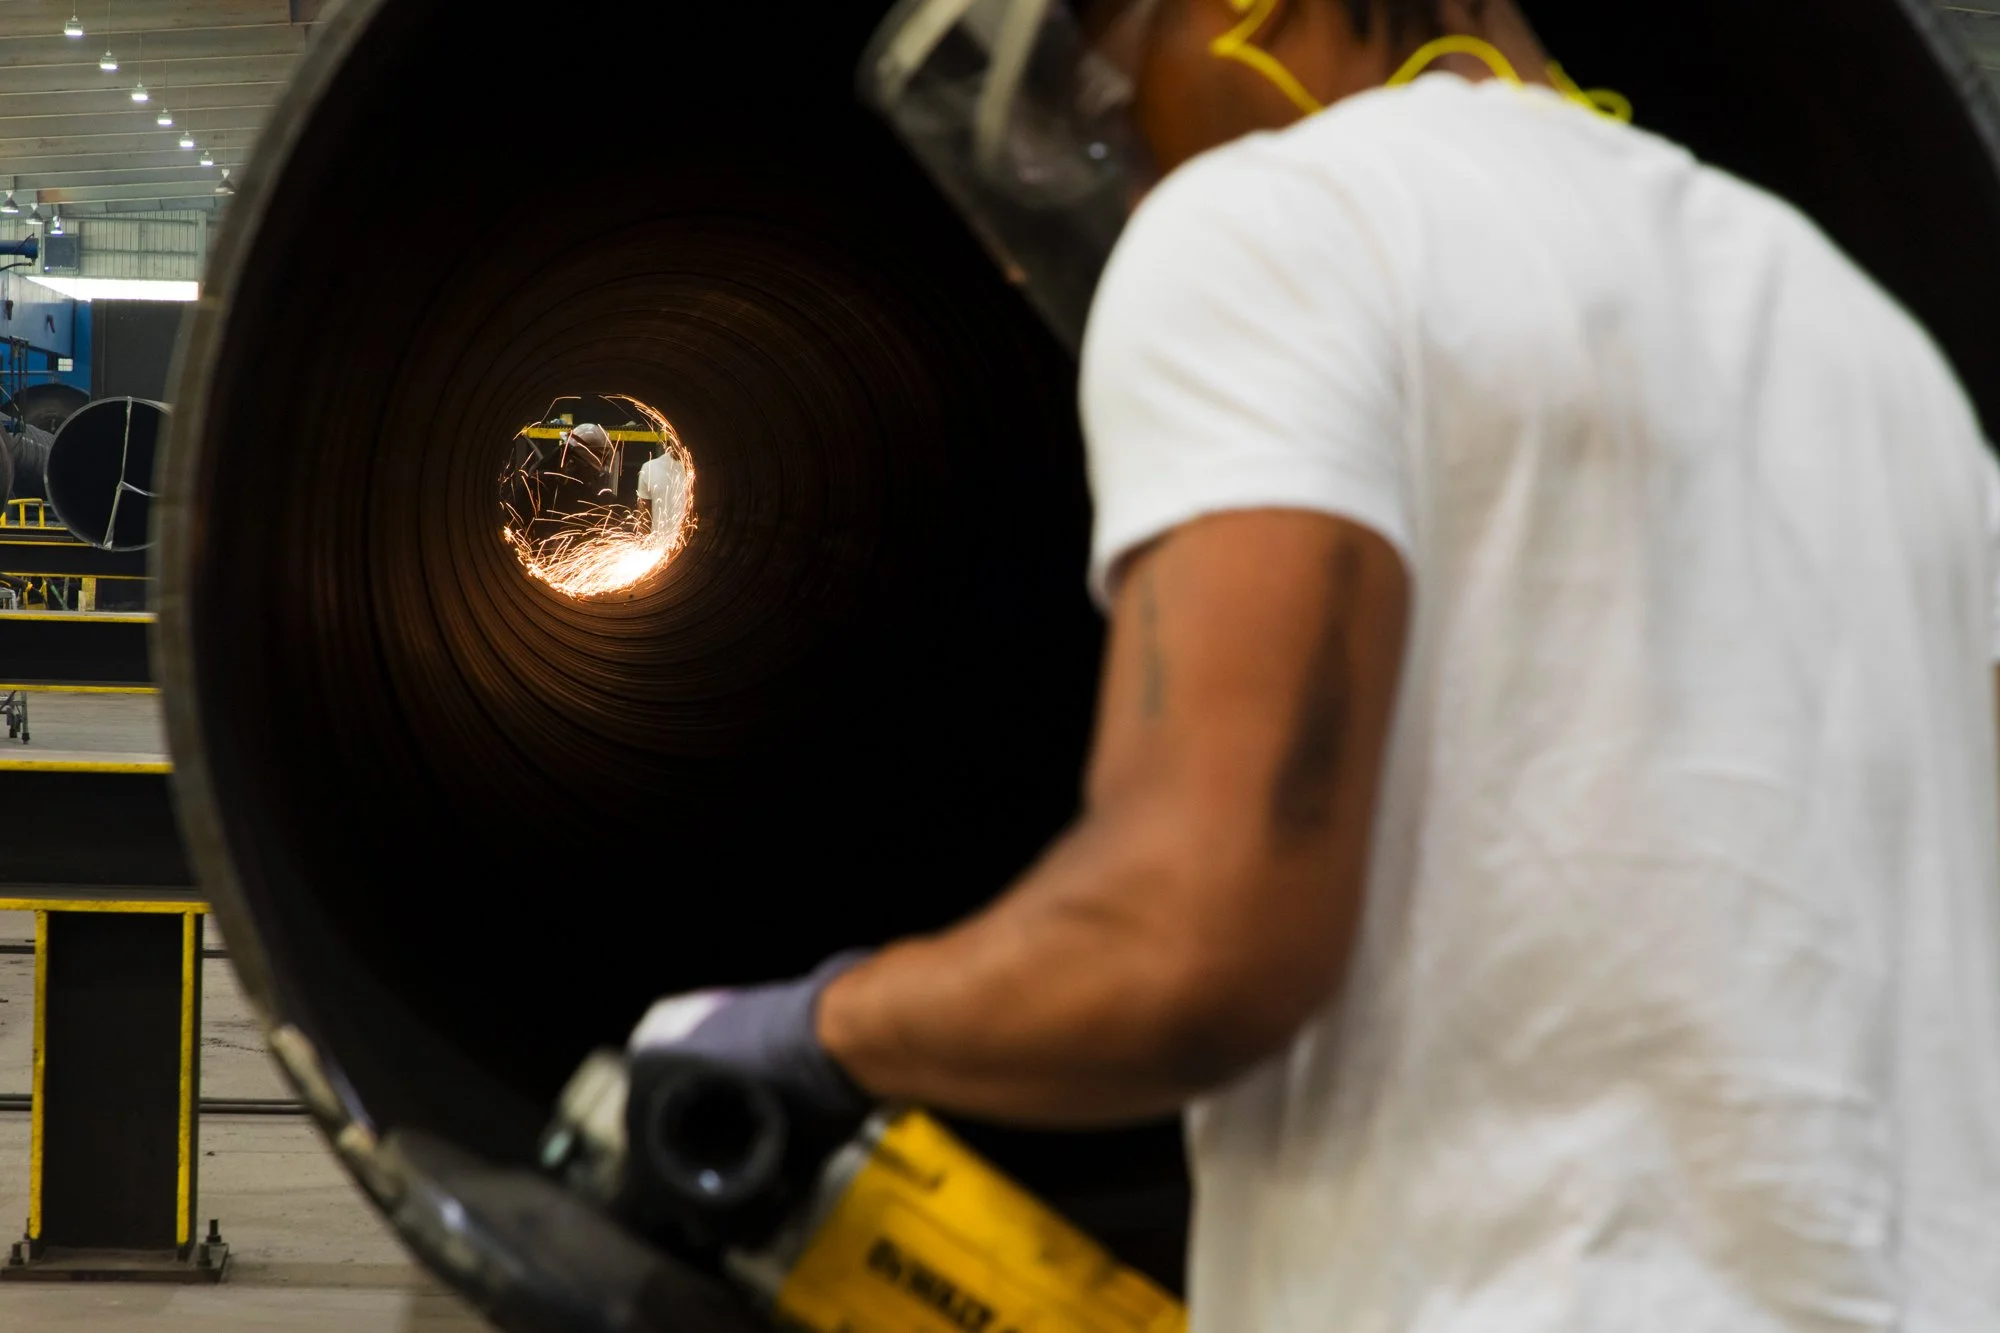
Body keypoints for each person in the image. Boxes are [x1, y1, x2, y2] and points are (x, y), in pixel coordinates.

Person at [626, 0, 2000, 1326]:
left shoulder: (1283, 230)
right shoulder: (1874, 349)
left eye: (1102, 91)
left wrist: (818, 1036)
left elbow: (1189, 945)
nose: (1128, 160)